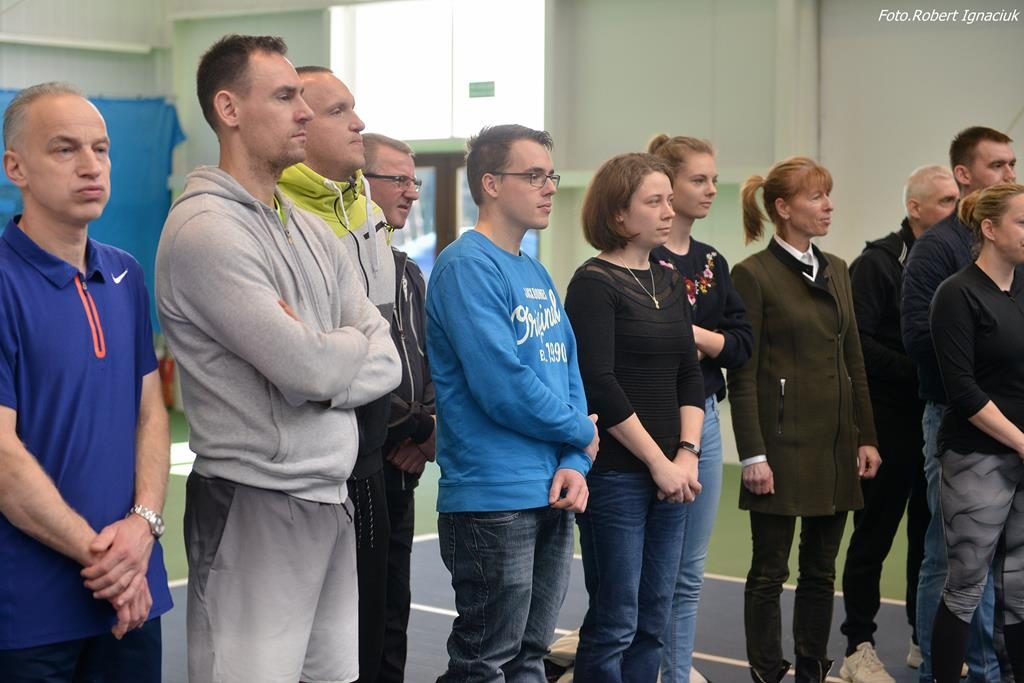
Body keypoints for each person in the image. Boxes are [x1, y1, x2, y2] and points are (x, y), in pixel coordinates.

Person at [156, 35, 400, 683]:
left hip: (331, 497)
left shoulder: (313, 230)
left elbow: (387, 360)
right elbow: (307, 370)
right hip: (254, 502)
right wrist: (337, 349)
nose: (304, 112)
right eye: (286, 96)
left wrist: (325, 350)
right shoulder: (206, 230)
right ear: (229, 109)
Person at [0, 81, 172, 683]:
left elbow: (150, 414)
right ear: (15, 167)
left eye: (101, 149)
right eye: (64, 149)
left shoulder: (125, 274)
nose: (91, 166)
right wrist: (109, 563)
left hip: (133, 592)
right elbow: (2, 456)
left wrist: (142, 528)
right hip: (30, 612)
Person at [425, 124, 599, 682]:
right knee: (484, 663)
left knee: (530, 657)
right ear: (492, 184)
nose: (549, 187)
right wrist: (582, 432)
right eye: (534, 176)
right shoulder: (466, 266)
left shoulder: (534, 270)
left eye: (551, 175)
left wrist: (575, 460)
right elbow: (502, 386)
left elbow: (568, 370)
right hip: (492, 497)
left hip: (551, 488)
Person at [729, 156, 881, 683]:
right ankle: (767, 671)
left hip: (836, 446)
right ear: (783, 208)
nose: (828, 206)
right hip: (779, 447)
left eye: (828, 195)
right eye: (816, 197)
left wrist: (866, 437)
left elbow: (854, 361)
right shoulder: (752, 275)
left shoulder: (837, 268)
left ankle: (812, 669)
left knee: (821, 570)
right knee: (770, 570)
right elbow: (743, 374)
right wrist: (753, 453)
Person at [277, 67, 398, 683]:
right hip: (306, 463)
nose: (359, 123)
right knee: (299, 651)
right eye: (339, 111)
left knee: (371, 628)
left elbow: (384, 346)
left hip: (371, 453)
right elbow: (308, 363)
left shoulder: (366, 210)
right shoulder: (280, 216)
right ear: (299, 120)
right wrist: (351, 361)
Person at [565, 152, 705, 681]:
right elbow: (599, 383)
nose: (669, 211)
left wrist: (686, 455)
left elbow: (688, 374)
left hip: (672, 474)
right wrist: (658, 463)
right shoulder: (593, 283)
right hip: (618, 476)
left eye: (669, 199)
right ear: (618, 214)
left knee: (653, 620)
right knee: (616, 621)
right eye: (655, 202)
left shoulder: (669, 280)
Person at [901, 126, 1016, 683]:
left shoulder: (1016, 265)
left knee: (1008, 567)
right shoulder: (939, 251)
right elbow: (922, 340)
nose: (1009, 173)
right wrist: (981, 378)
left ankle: (992, 667)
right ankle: (943, 669)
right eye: (998, 165)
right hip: (959, 419)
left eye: (1012, 163)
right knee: (954, 561)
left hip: (1009, 422)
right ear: (965, 174)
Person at [838, 165, 958, 683]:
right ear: (915, 208)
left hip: (933, 420)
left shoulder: (958, 261)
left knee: (929, 539)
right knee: (874, 536)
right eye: (947, 201)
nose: (957, 209)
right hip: (886, 422)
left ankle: (919, 637)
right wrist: (922, 369)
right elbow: (858, 345)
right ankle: (858, 646)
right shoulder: (877, 264)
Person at [648, 135, 753, 683]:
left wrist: (697, 337)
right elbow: (647, 342)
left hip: (705, 415)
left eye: (714, 179)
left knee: (689, 571)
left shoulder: (713, 261)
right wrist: (700, 341)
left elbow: (742, 344)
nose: (712, 189)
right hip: (652, 417)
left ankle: (677, 670)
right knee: (653, 566)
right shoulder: (645, 257)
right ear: (668, 185)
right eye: (699, 180)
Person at [929, 183, 1024, 683]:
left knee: (1021, 587)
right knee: (967, 584)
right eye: (1022, 222)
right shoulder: (957, 294)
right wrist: (1021, 441)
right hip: (977, 457)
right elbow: (962, 391)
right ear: (989, 228)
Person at [364, 132, 435, 683]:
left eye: (414, 182)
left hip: (405, 468)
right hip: (364, 467)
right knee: (362, 616)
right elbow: (357, 372)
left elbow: (433, 365)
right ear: (359, 183)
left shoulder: (409, 273)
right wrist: (413, 428)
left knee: (394, 610)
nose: (411, 192)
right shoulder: (348, 266)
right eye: (398, 180)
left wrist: (427, 434)